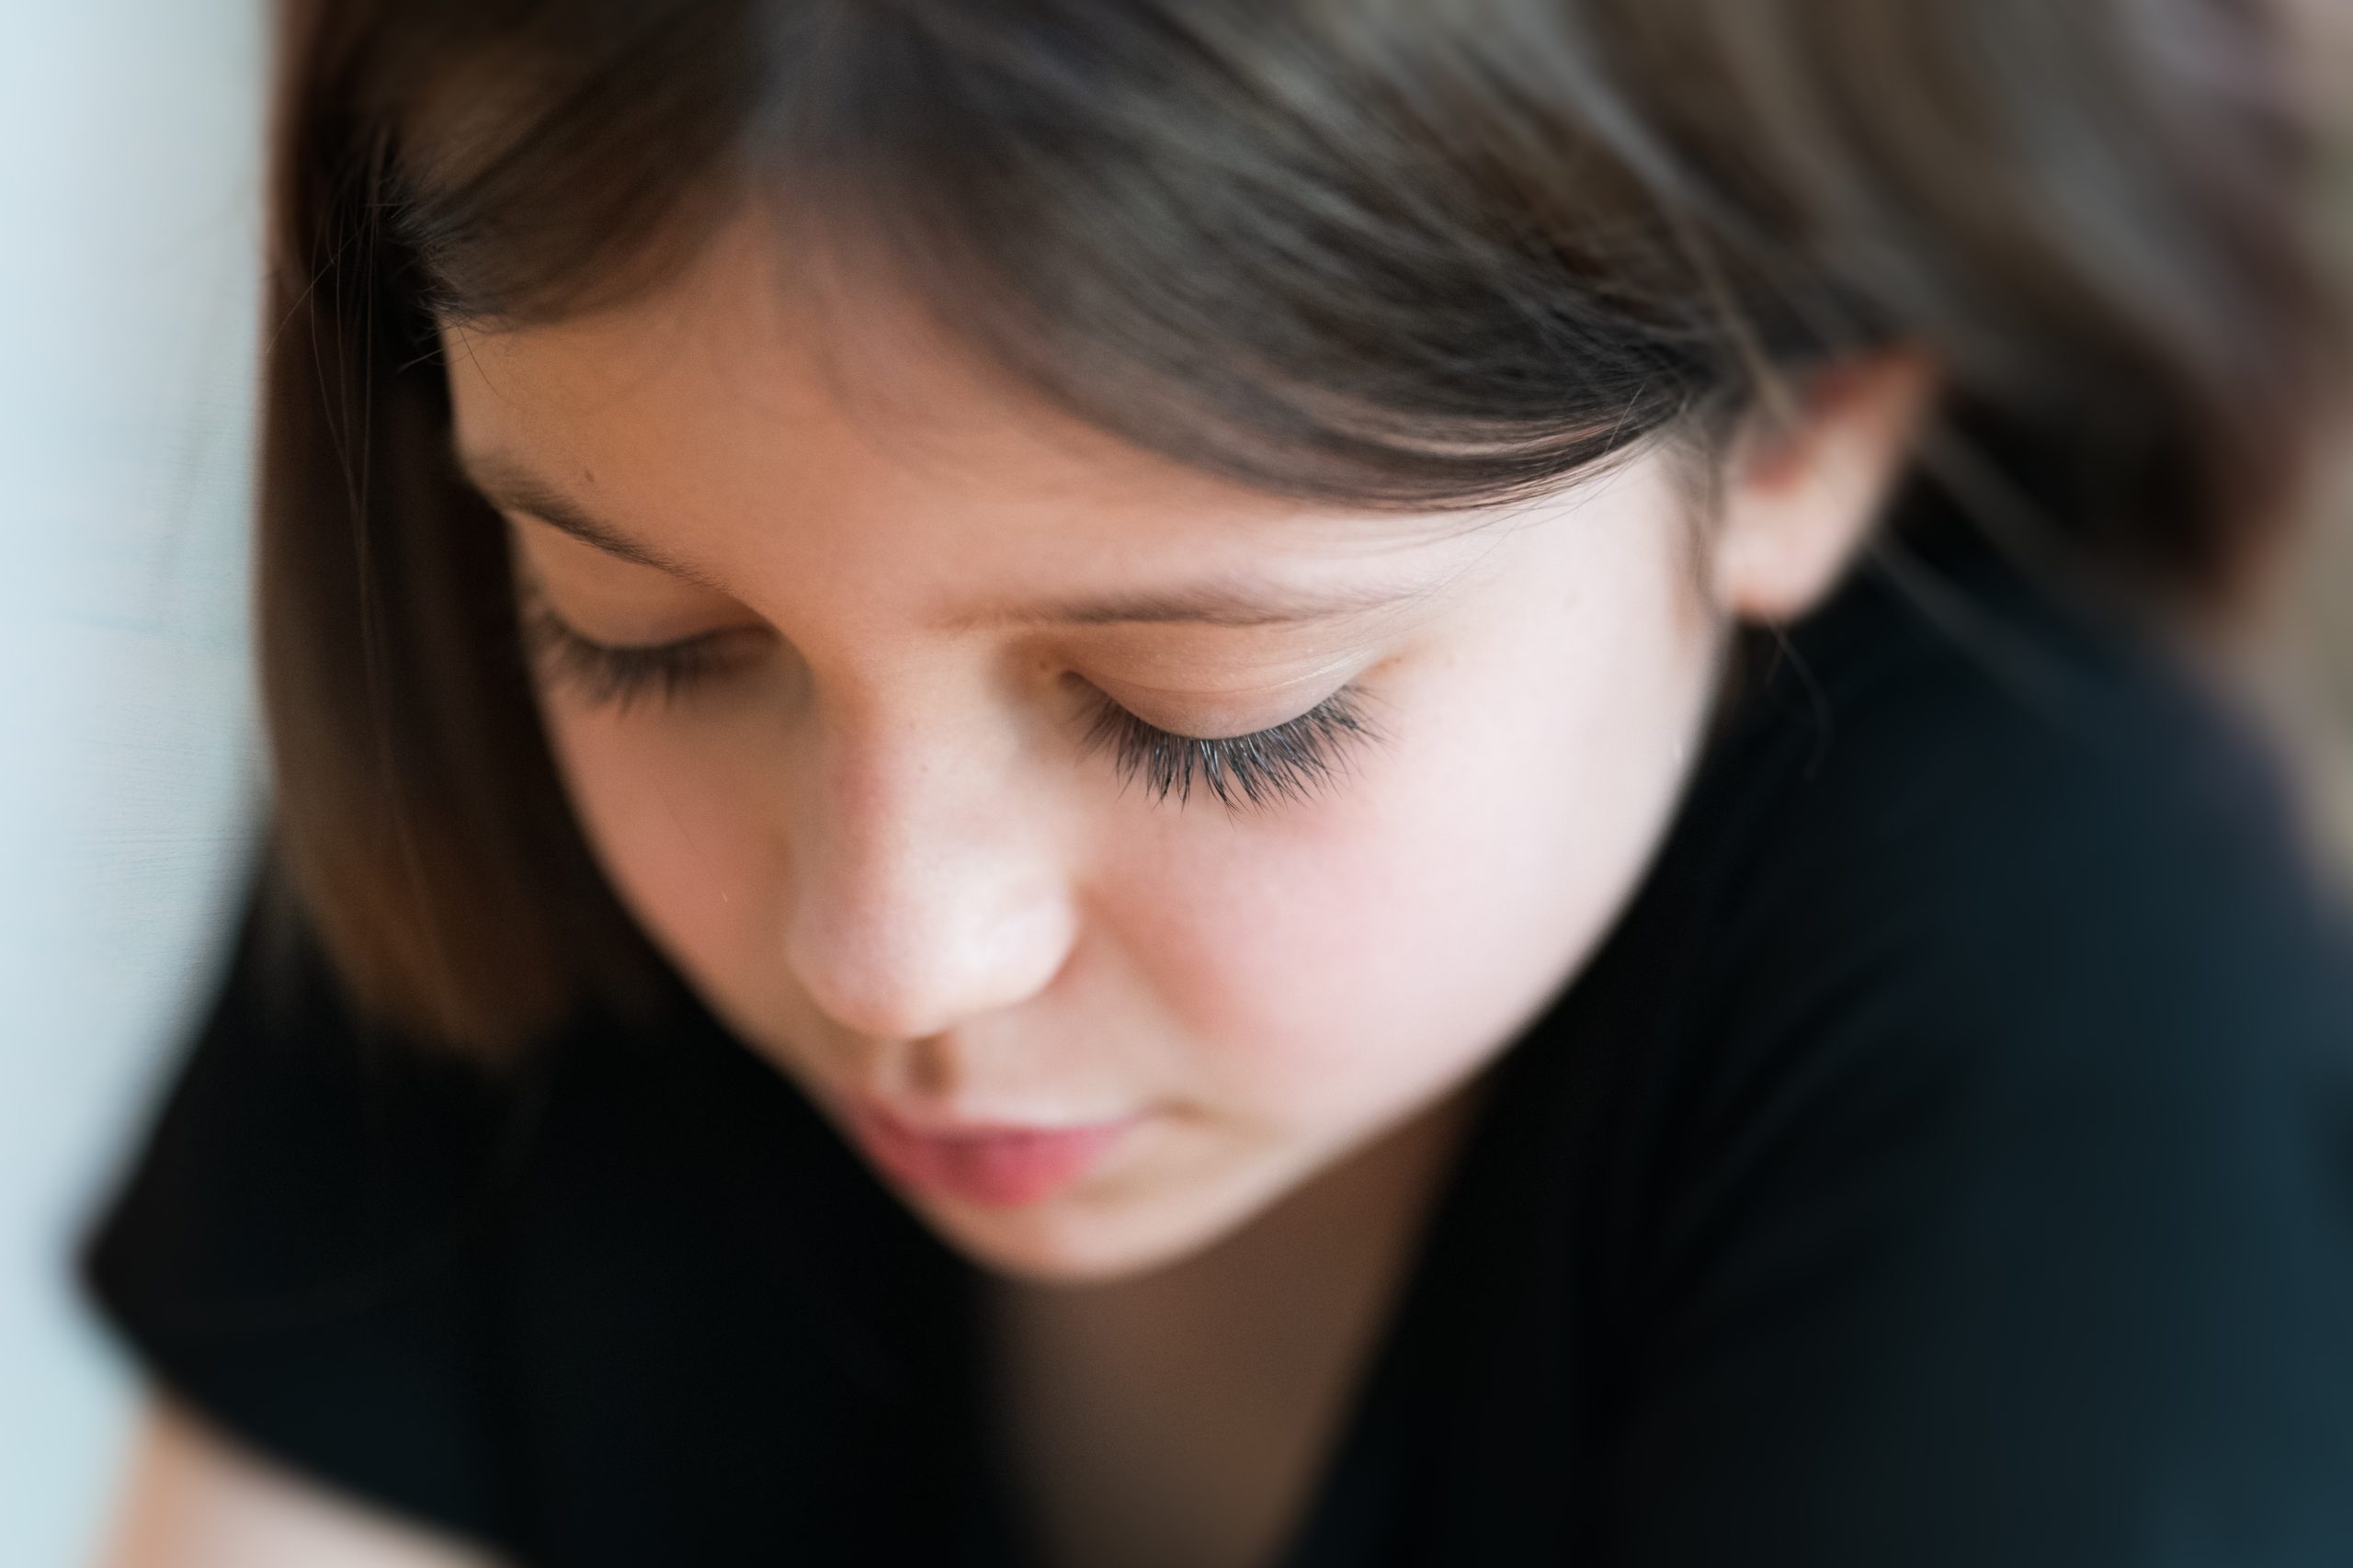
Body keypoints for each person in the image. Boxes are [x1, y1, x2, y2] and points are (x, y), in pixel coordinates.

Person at [75, 2, 2353, 1564]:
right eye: (649, 636)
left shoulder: (2070, 1015)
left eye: (1199, 710)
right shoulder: (521, 838)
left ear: (1790, 429)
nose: (887, 944)